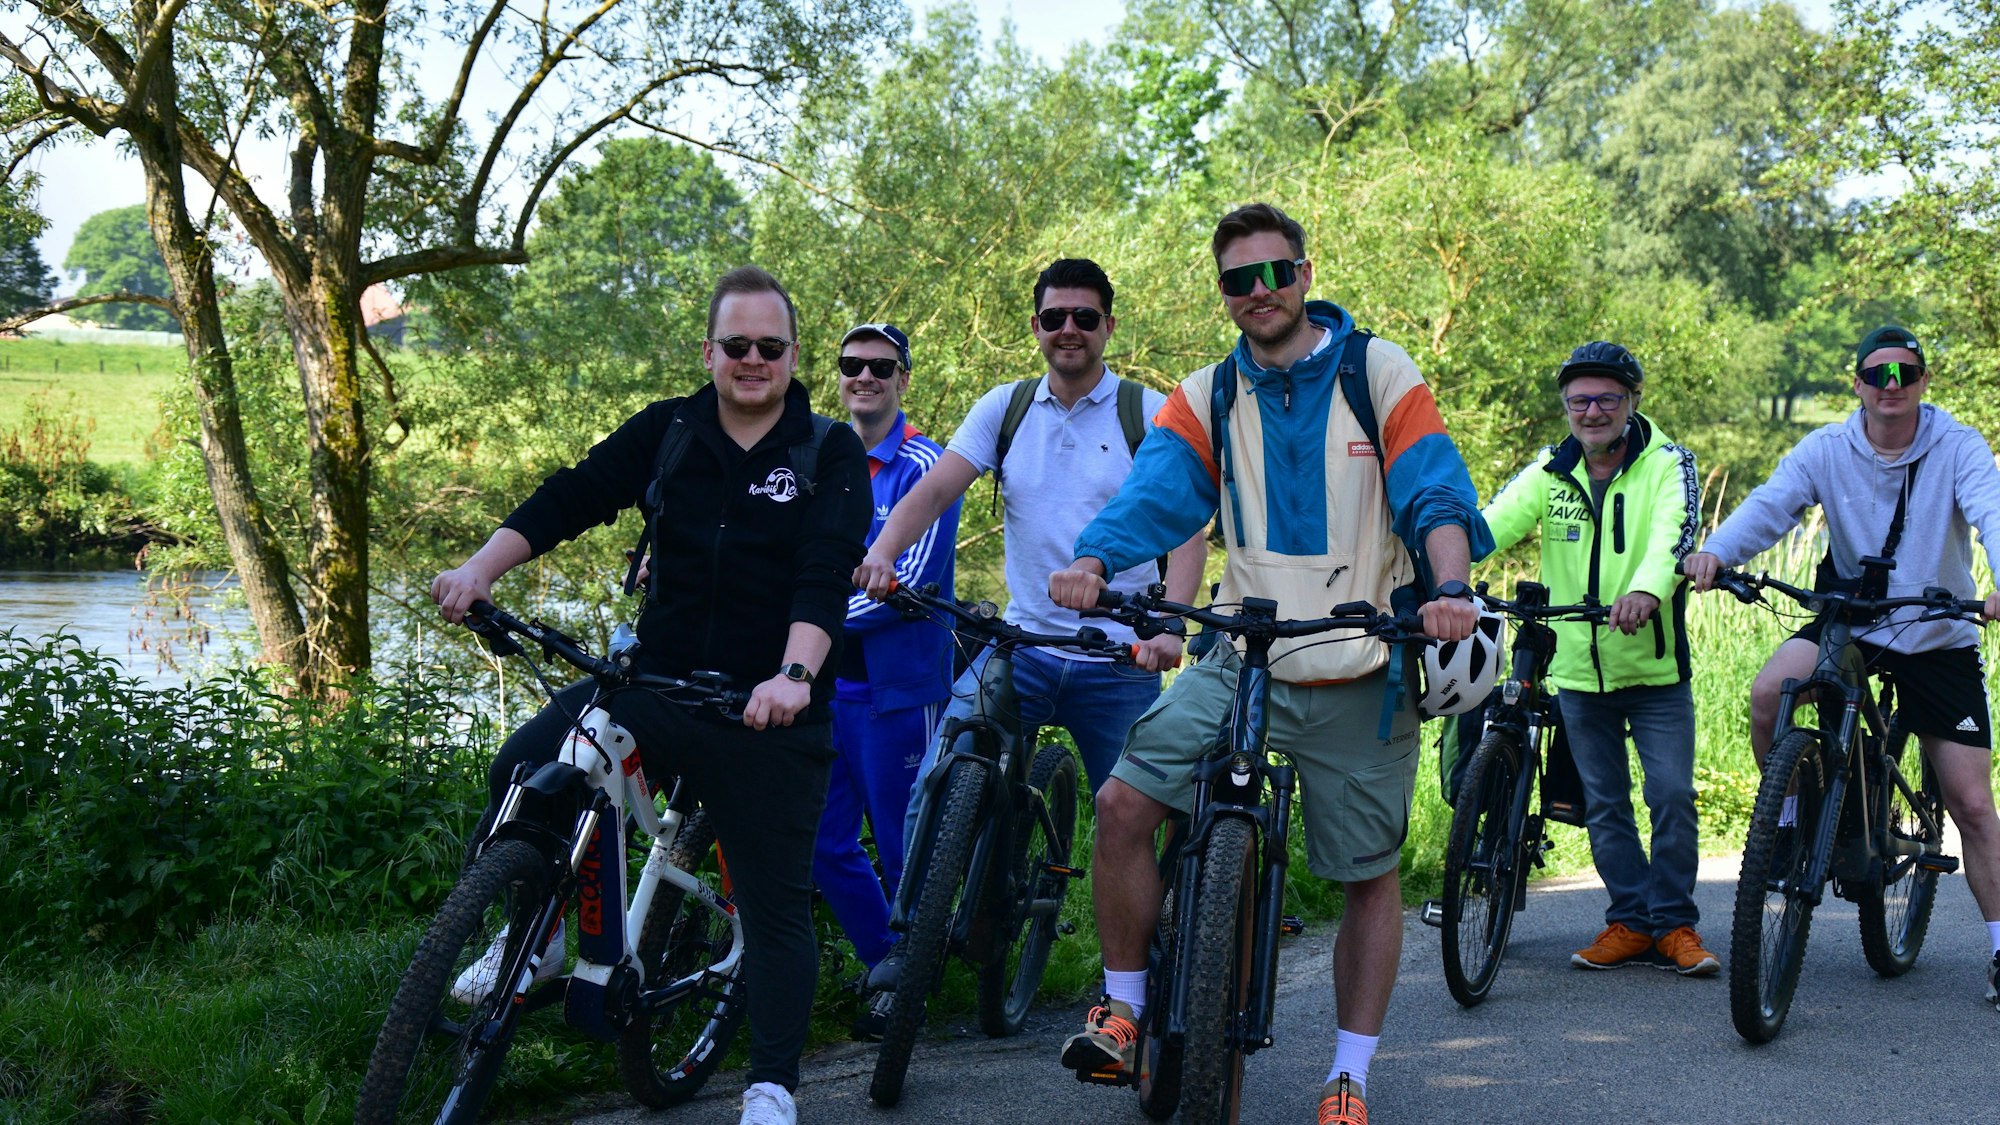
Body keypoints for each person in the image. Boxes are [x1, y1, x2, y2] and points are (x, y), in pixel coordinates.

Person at [1046, 203, 1490, 1124]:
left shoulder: (1377, 369)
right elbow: (1158, 491)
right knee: (1124, 801)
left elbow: (1434, 488)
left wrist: (1450, 585)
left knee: (1368, 872)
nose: (1260, 292)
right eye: (1238, 280)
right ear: (1223, 292)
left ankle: (1349, 1076)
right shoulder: (1208, 392)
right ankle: (1124, 1011)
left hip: (1360, 657)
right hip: (1241, 653)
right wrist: (1093, 559)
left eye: (1275, 272)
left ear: (1305, 271)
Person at [430, 266, 870, 1125]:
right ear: (707, 352)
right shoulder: (668, 431)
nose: (752, 360)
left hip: (768, 710)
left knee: (777, 906)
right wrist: (481, 567)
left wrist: (793, 675)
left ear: (791, 355)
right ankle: (541, 928)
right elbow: (574, 494)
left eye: (769, 347)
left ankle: (772, 1085)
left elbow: (825, 575)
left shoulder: (827, 448)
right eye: (735, 345)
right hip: (656, 684)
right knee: (526, 763)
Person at [852, 258, 1206, 989]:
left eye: (1084, 317)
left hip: (1119, 659)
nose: (1068, 329)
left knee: (1145, 811)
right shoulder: (1005, 409)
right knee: (946, 762)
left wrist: (1169, 627)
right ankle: (912, 938)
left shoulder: (1150, 412)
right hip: (1026, 643)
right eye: (1054, 318)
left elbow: (1189, 530)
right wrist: (883, 553)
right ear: (1037, 328)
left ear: (1109, 324)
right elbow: (934, 489)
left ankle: (1163, 952)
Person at [1683, 324, 2000, 1010]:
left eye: (1906, 374)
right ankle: (1791, 820)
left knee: (1973, 803)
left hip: (1937, 630)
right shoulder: (1826, 448)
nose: (1892, 387)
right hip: (1850, 618)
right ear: (1855, 384)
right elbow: (1773, 504)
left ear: (1923, 382)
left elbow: (1991, 512)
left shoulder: (1957, 445)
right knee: (1770, 692)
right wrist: (1716, 554)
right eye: (1877, 375)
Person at [1480, 342, 1715, 974]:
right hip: (1579, 670)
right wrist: (1438, 565)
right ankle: (1631, 920)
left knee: (1670, 796)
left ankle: (1675, 925)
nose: (1592, 411)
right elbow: (1492, 525)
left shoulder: (1669, 464)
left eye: (1607, 398)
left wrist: (1645, 590)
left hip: (1654, 670)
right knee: (1605, 803)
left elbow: (1675, 534)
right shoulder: (1551, 471)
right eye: (1579, 400)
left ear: (1632, 401)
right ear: (1565, 406)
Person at [818, 322, 959, 1035]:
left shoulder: (925, 464)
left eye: (881, 365)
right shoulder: (819, 456)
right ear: (838, 375)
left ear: (904, 378)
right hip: (822, 688)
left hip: (898, 688)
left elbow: (907, 581)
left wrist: (803, 623)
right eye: (852, 364)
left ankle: (911, 983)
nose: (864, 376)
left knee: (904, 842)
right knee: (822, 841)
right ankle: (888, 962)